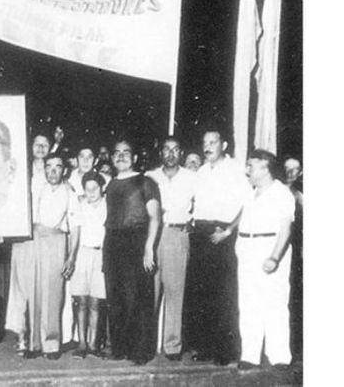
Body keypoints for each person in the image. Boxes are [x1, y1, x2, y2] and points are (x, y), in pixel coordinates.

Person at [219, 150, 294, 371]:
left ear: (265, 168)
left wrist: (274, 257)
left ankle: (279, 356)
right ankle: (250, 355)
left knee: (274, 303)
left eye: (251, 166)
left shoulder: (281, 193)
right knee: (248, 303)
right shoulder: (252, 193)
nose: (247, 170)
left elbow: (286, 230)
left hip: (269, 248)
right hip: (247, 248)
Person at [185, 130, 252, 366]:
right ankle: (205, 348)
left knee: (223, 294)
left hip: (222, 233)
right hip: (201, 234)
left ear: (223, 145)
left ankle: (226, 350)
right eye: (205, 143)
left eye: (213, 142)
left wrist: (228, 230)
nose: (208, 147)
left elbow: (248, 203)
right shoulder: (202, 171)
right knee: (202, 293)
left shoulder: (235, 169)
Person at [103, 139, 160, 365]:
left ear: (134, 158)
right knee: (115, 297)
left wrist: (148, 248)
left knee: (137, 297)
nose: (121, 156)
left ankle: (140, 351)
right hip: (112, 242)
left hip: (136, 241)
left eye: (126, 152)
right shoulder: (110, 184)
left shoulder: (145, 182)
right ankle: (120, 349)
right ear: (112, 158)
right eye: (116, 153)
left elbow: (155, 217)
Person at [25, 153, 81, 360]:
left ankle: (51, 344)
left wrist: (71, 257)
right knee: (34, 292)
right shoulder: (36, 187)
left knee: (53, 294)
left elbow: (75, 227)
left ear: (64, 170)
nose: (53, 171)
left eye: (57, 167)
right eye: (49, 166)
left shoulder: (69, 193)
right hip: (34, 240)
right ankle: (34, 344)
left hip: (57, 241)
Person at [147, 136, 197, 361]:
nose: (170, 154)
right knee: (150, 292)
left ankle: (172, 346)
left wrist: (191, 224)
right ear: (161, 153)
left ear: (181, 154)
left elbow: (202, 204)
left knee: (175, 293)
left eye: (175, 150)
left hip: (177, 235)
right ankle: (146, 344)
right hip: (153, 236)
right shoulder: (150, 177)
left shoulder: (192, 178)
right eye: (166, 149)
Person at [5, 133, 50, 354]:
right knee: (21, 286)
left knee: (42, 288)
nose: (40, 148)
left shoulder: (55, 171)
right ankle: (21, 335)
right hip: (22, 235)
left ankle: (39, 339)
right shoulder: (20, 170)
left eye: (45, 144)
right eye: (37, 144)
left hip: (46, 236)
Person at [70, 171, 108, 359]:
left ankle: (93, 344)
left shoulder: (109, 205)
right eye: (87, 189)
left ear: (102, 188)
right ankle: (82, 343)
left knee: (95, 302)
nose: (91, 192)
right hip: (82, 253)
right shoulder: (79, 204)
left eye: (95, 188)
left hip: (100, 254)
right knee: (81, 301)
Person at [283, 156, 303, 363]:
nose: (290, 173)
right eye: (287, 168)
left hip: (296, 250)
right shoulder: (276, 191)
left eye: (295, 169)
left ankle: (295, 345)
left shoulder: (300, 195)